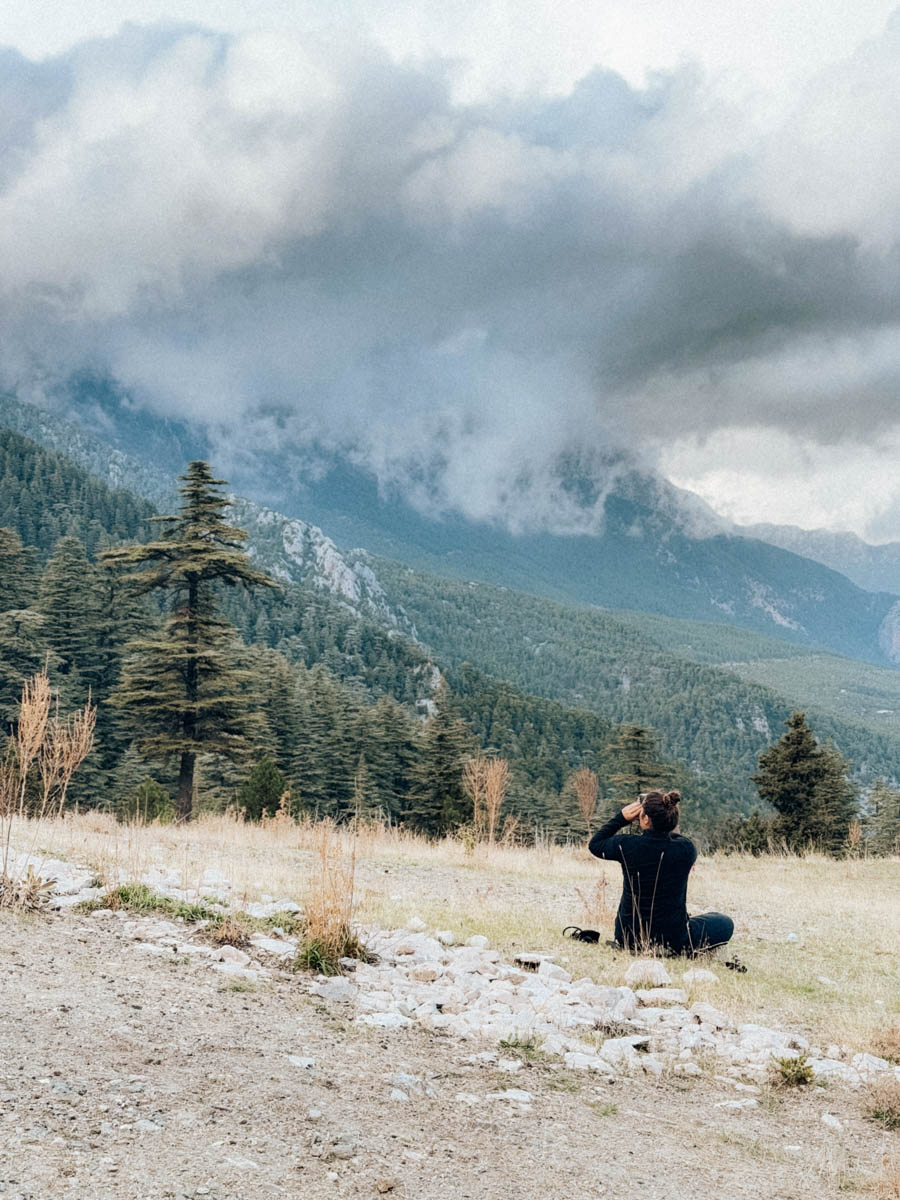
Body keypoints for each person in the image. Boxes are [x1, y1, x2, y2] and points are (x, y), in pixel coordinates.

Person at [588, 790, 734, 956]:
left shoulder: (627, 845)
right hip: (673, 941)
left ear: (645, 818)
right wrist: (661, 821)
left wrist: (621, 818)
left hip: (628, 939)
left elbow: (595, 844)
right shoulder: (686, 849)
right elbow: (670, 837)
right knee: (724, 922)